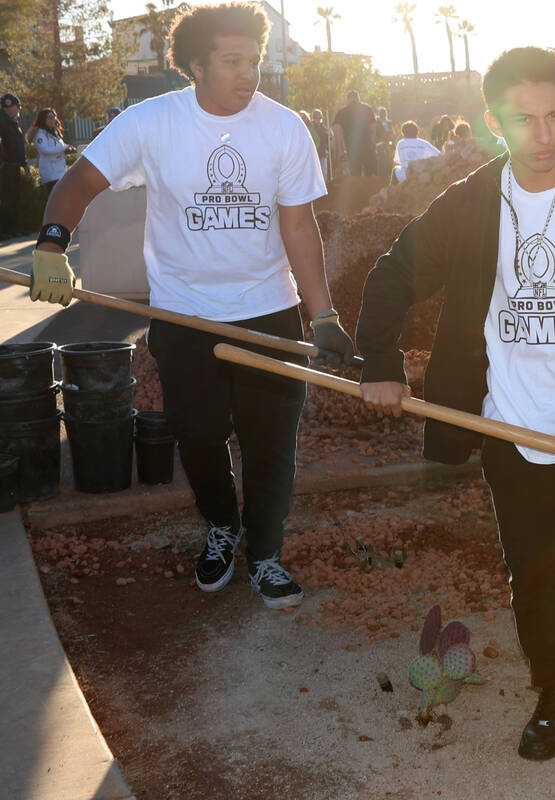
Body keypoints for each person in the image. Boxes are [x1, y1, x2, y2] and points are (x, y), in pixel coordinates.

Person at [355, 46, 555, 762]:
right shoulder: (470, 203)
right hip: (508, 424)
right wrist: (379, 362)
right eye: (525, 120)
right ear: (494, 121)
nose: (547, 135)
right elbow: (394, 272)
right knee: (531, 572)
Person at [28, 2, 355, 607]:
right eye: (231, 62)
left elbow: (299, 228)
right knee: (198, 436)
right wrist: (52, 245)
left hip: (267, 312)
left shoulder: (284, 127)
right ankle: (221, 526)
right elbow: (79, 182)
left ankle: (264, 553)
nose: (247, 74)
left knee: (270, 443)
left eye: (252, 60)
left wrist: (324, 315)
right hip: (185, 316)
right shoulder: (152, 122)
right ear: (196, 67)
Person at [26, 108, 75, 213]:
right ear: (43, 119)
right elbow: (46, 150)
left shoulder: (54, 132)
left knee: (63, 201)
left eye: (54, 117)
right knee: (55, 203)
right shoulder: (40, 134)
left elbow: (59, 148)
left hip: (60, 172)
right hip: (51, 174)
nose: (53, 119)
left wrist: (68, 148)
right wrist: (64, 148)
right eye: (49, 117)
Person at [1, 93, 28, 240]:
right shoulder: (2, 120)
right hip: (5, 167)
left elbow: (18, 146)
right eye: (17, 106)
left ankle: (15, 229)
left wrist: (24, 162)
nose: (18, 109)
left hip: (14, 165)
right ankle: (5, 230)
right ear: (10, 106)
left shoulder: (12, 121)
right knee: (5, 199)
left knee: (14, 198)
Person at [333, 89, 375, 176]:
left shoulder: (341, 112)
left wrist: (341, 150)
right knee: (370, 175)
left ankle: (358, 189)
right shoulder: (367, 109)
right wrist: (373, 145)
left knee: (355, 175)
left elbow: (338, 131)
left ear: (348, 99)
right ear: (358, 98)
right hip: (367, 147)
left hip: (352, 149)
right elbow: (373, 129)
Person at [312, 108, 331, 181]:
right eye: (316, 118)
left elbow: (328, 140)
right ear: (313, 118)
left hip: (323, 153)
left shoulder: (324, 128)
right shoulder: (311, 127)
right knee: (315, 173)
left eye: (319, 118)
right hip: (314, 154)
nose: (318, 120)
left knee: (324, 173)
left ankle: (325, 188)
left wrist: (330, 135)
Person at [375, 106, 394, 176]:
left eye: (384, 112)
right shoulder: (376, 122)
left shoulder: (389, 122)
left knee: (389, 160)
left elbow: (392, 135)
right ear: (378, 113)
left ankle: (387, 176)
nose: (383, 114)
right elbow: (375, 135)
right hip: (380, 144)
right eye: (381, 112)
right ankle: (380, 176)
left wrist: (391, 144)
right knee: (381, 160)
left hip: (388, 144)